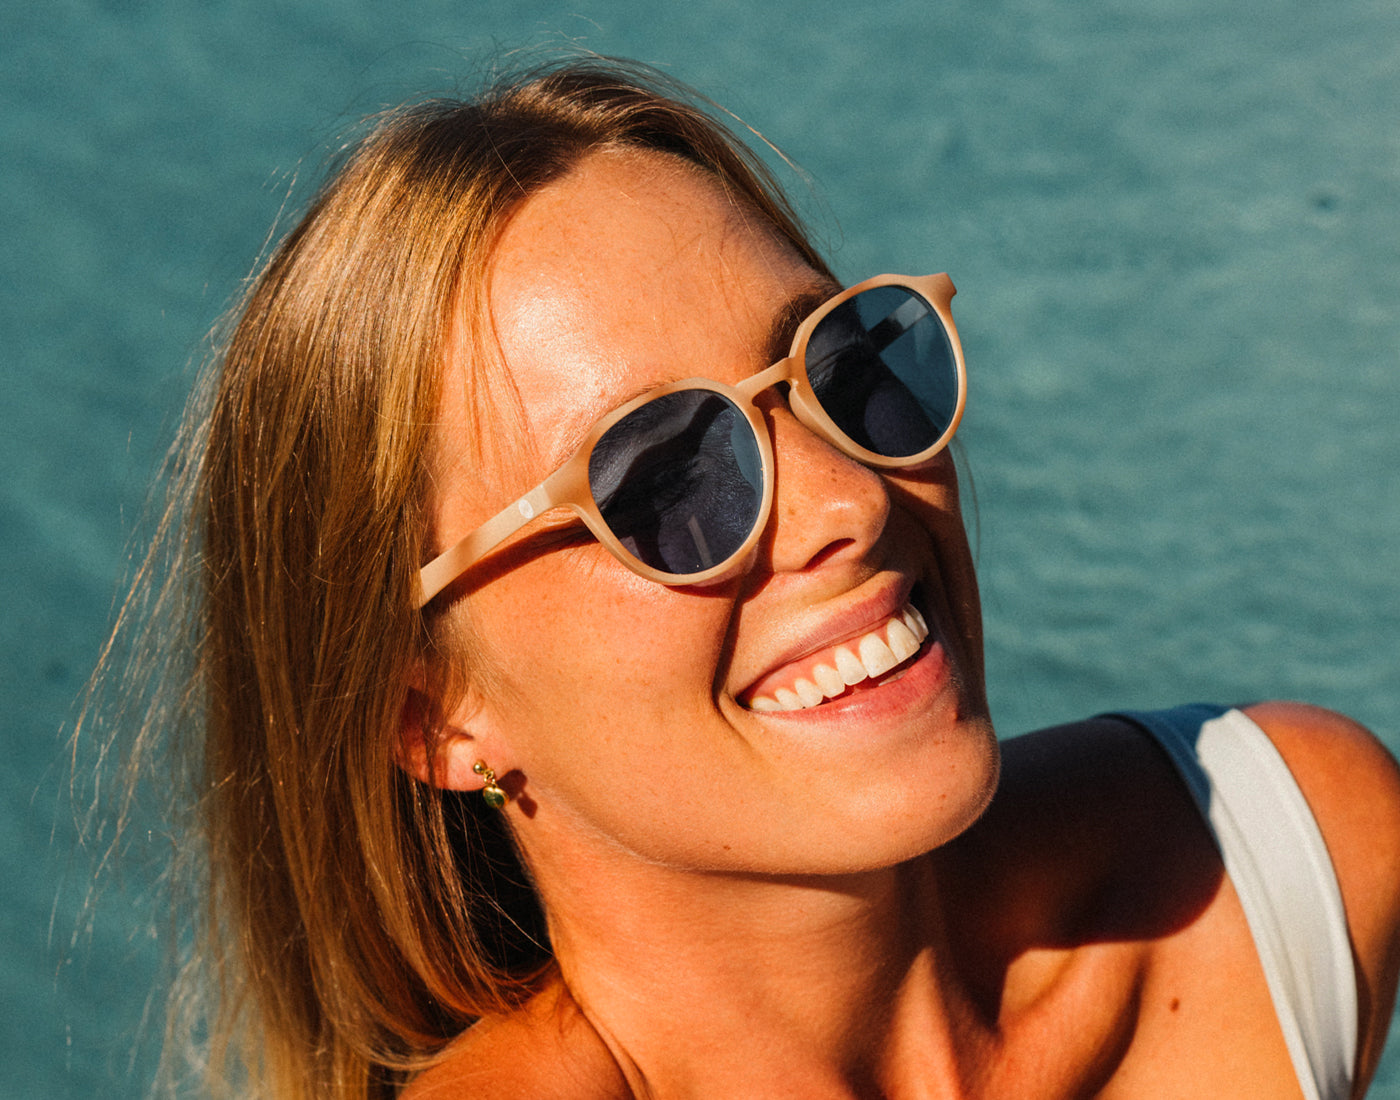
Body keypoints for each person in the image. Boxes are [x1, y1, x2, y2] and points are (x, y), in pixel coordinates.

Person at [97, 58, 1400, 1099]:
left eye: (845, 368)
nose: (848, 498)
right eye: (662, 482)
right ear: (428, 717)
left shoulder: (1290, 856)